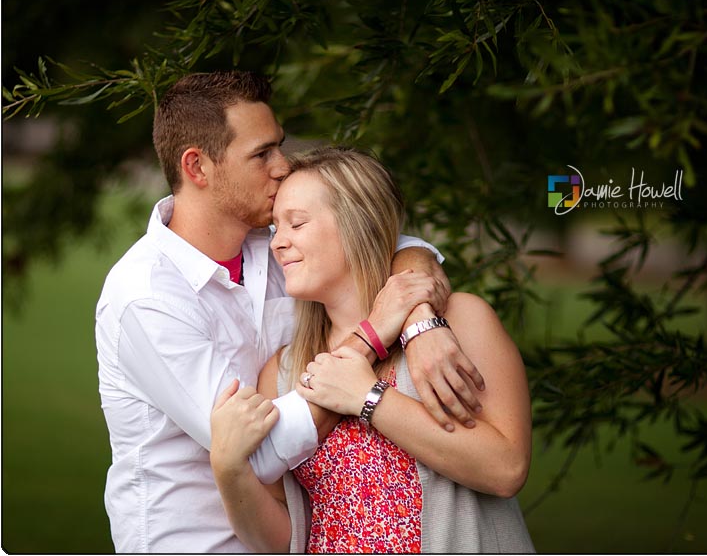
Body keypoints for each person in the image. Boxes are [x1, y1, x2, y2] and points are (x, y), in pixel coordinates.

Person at [95, 71, 486, 553]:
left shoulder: (276, 245)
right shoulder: (147, 297)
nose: (282, 166)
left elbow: (386, 243)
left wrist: (420, 321)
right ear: (197, 167)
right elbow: (255, 451)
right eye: (261, 154)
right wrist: (367, 342)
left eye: (278, 146)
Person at [210, 146, 535, 553]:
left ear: (357, 225)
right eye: (277, 228)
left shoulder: (458, 324)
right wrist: (229, 470)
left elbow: (506, 469)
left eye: (297, 224)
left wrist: (368, 398)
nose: (279, 244)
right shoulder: (284, 369)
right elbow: (282, 541)